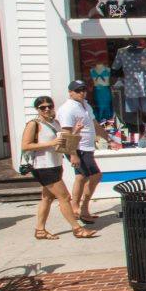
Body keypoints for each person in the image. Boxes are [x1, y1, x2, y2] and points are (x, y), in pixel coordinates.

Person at [19, 94, 96, 241]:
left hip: (55, 164)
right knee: (65, 197)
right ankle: (77, 228)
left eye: (49, 106)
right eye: (43, 107)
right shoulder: (34, 124)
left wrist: (75, 132)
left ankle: (40, 230)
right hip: (42, 166)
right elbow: (25, 145)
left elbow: (62, 142)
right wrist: (51, 143)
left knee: (47, 198)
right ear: (37, 109)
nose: (47, 109)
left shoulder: (55, 123)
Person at [61, 79, 104, 224]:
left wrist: (109, 139)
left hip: (87, 147)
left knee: (81, 178)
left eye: (84, 90)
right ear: (70, 92)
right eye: (78, 90)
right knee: (96, 175)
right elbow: (66, 134)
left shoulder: (85, 105)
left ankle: (80, 210)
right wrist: (73, 155)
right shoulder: (68, 109)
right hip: (77, 148)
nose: (82, 93)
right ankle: (79, 208)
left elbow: (94, 124)